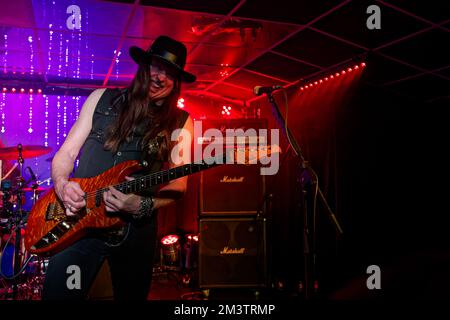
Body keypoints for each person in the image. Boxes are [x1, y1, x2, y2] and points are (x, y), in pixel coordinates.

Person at [42, 35, 195, 300]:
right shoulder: (101, 99)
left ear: (176, 82)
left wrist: (143, 205)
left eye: (170, 73)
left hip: (134, 234)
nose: (161, 77)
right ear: (145, 66)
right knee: (61, 295)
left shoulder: (181, 122)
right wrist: (62, 183)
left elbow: (179, 183)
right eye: (157, 66)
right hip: (80, 225)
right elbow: (66, 152)